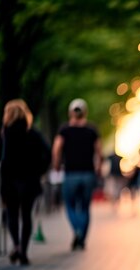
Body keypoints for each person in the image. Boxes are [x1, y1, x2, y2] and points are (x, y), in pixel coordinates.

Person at [0, 99, 50, 265]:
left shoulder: (4, 133)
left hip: (9, 180)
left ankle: (16, 245)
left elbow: (0, 158)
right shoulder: (33, 133)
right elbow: (47, 154)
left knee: (12, 214)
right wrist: (39, 170)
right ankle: (23, 250)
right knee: (26, 215)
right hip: (29, 180)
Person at [51, 98, 102, 250]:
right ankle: (81, 237)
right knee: (85, 207)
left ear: (70, 112)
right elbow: (99, 152)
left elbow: (56, 149)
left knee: (70, 205)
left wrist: (56, 165)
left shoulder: (64, 130)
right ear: (85, 112)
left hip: (71, 173)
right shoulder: (92, 129)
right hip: (88, 174)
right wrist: (98, 167)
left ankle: (77, 231)